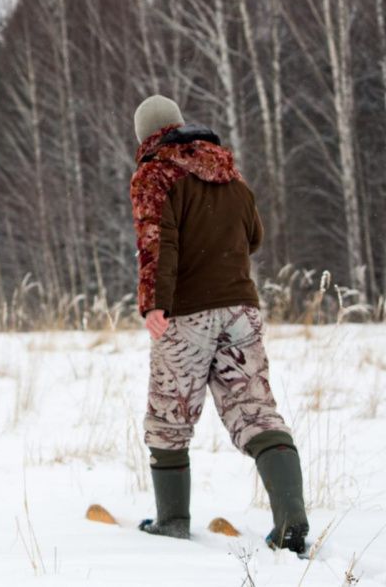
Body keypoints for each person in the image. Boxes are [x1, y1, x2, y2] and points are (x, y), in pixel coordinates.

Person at [129, 95, 309, 555]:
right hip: (240, 309)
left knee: (169, 416)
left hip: (185, 311)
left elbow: (156, 241)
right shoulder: (229, 171)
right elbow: (255, 237)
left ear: (146, 135)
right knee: (255, 411)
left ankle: (171, 521)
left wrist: (154, 303)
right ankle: (291, 520)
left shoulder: (155, 173)